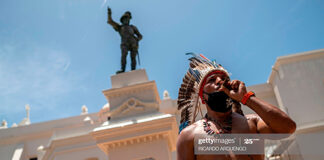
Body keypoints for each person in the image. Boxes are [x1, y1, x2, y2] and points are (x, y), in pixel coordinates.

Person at [177, 53, 296, 160]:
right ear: (202, 97)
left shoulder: (252, 123)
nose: (220, 81)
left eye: (224, 79)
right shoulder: (189, 136)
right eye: (212, 80)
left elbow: (288, 128)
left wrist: (247, 98)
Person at [107, 7, 143, 74]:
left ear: (129, 20)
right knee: (123, 55)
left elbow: (140, 36)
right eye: (124, 19)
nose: (126, 20)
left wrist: (137, 39)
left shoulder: (133, 27)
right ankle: (122, 69)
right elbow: (110, 22)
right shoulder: (119, 27)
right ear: (122, 20)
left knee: (133, 57)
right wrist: (109, 14)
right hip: (124, 43)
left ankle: (133, 70)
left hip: (133, 43)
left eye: (127, 18)